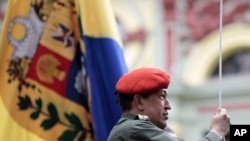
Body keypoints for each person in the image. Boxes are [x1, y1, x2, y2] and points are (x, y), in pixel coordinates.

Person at [107, 67, 230, 141]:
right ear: (139, 102)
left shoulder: (131, 127)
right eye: (161, 97)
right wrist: (217, 131)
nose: (168, 106)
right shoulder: (133, 128)